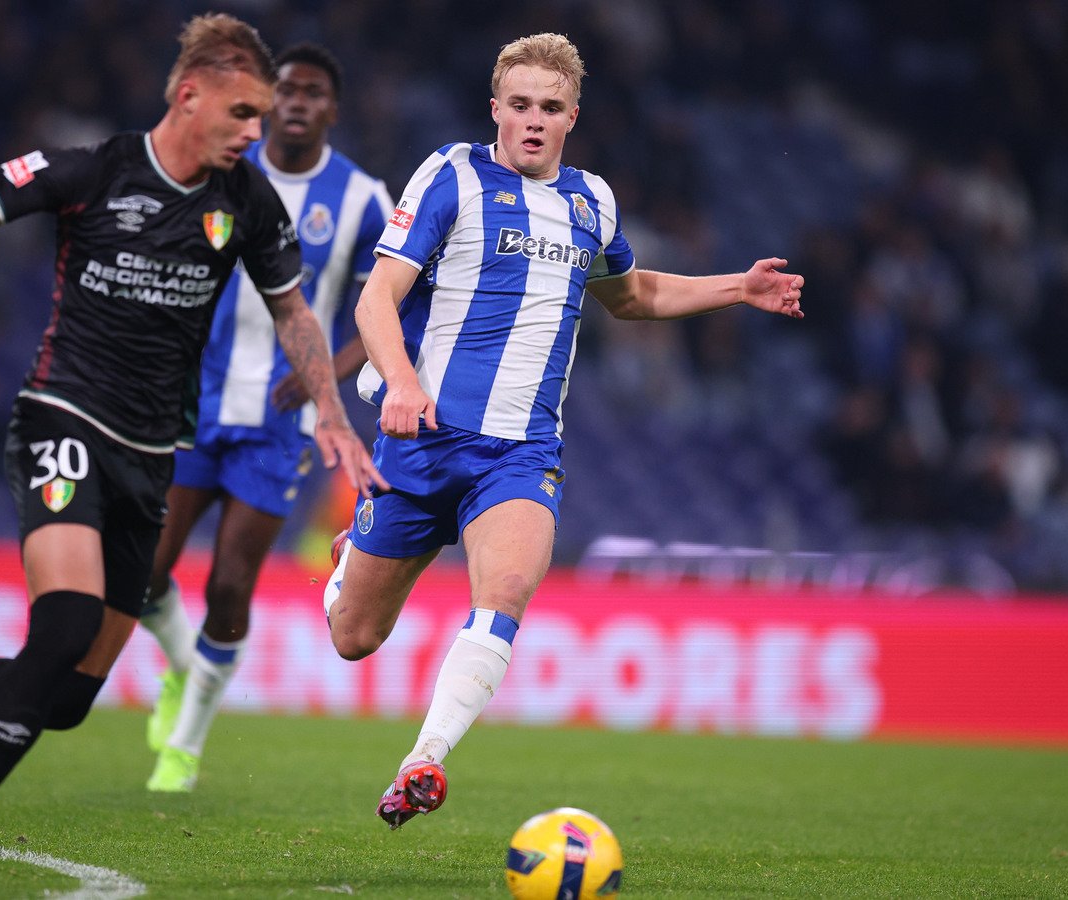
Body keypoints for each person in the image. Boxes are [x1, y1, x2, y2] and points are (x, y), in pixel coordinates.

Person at [0, 14, 382, 892]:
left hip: (151, 458)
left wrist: (332, 410)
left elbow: (295, 311)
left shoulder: (245, 202)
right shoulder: (92, 169)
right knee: (62, 625)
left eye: (263, 117)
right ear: (191, 95)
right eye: (243, 112)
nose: (256, 133)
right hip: (63, 421)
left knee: (65, 698)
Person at [321, 33, 805, 829]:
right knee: (353, 637)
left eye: (550, 108)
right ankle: (349, 564)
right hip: (421, 441)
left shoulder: (592, 201)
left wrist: (736, 288)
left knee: (506, 591)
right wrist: (402, 382)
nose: (533, 121)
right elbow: (377, 298)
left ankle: (424, 759)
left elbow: (630, 293)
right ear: (495, 110)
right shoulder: (451, 175)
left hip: (519, 453)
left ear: (572, 116)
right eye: (519, 106)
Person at [137, 42, 391, 793]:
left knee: (229, 586)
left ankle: (183, 748)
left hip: (280, 425)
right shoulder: (221, 171)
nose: (300, 101)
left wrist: (325, 378)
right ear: (268, 99)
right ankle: (185, 669)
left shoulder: (363, 197)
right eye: (288, 89)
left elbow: (389, 309)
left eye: (315, 91)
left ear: (332, 109)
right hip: (194, 401)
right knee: (145, 570)